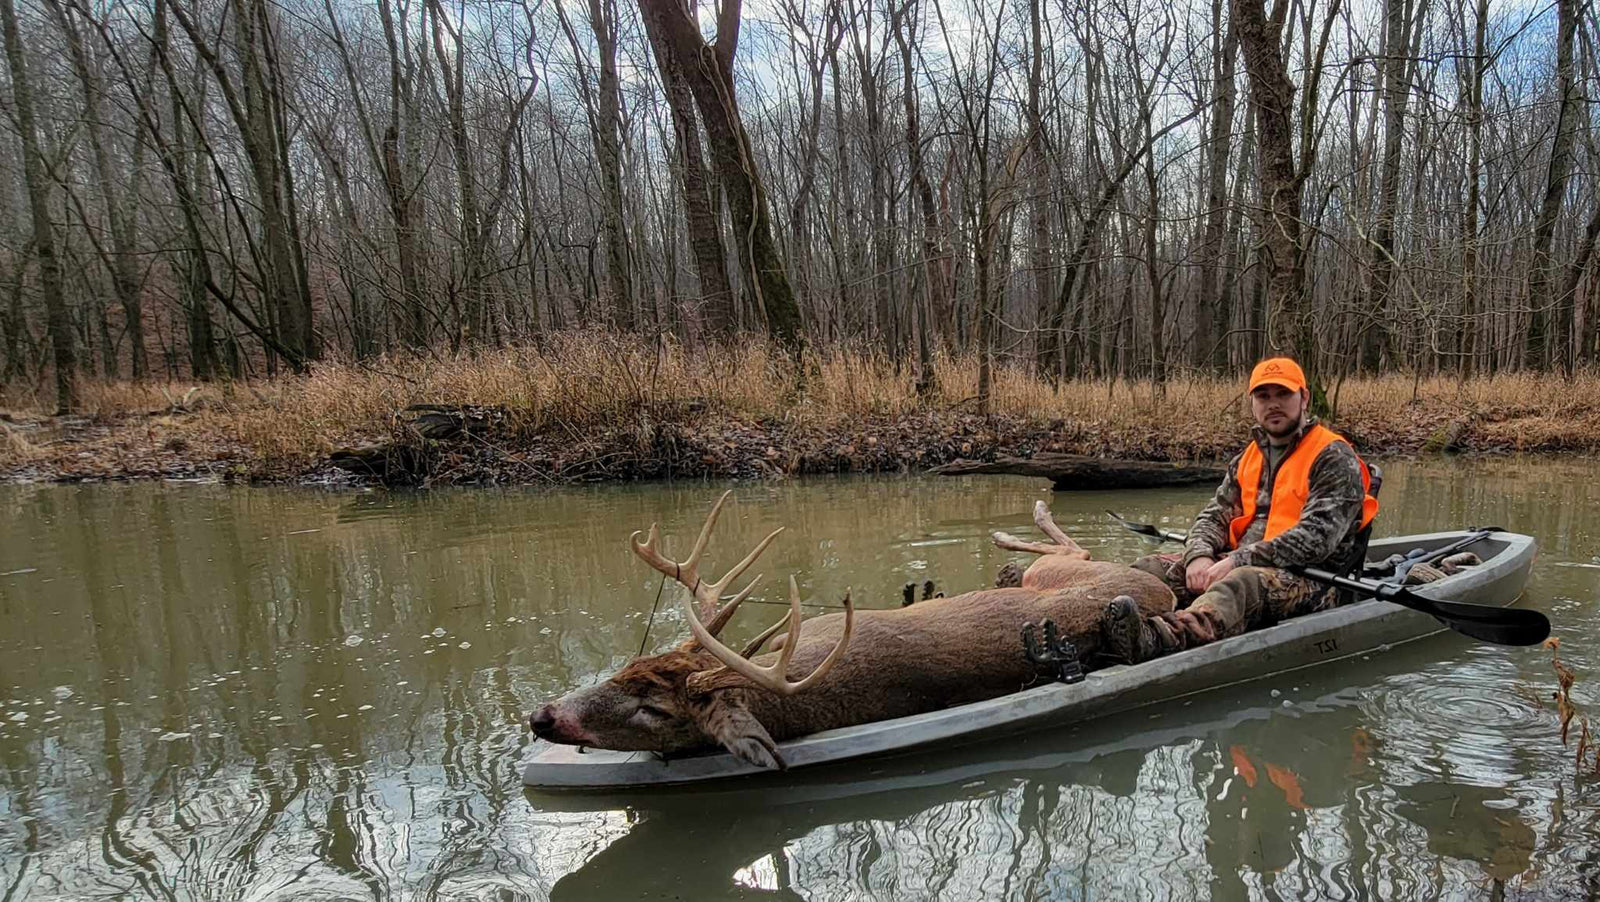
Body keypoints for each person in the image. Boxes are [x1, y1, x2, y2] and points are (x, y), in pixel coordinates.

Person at [1101, 357, 1379, 663]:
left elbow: (1316, 540)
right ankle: (1099, 626)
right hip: (1239, 564)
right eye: (1263, 396)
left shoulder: (1333, 456)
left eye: (1283, 394)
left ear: (1304, 398)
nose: (1273, 404)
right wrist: (1200, 554)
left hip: (1314, 579)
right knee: (1151, 568)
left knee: (1242, 584)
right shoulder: (1248, 458)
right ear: (1253, 404)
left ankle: (1156, 640)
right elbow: (1215, 515)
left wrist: (1237, 559)